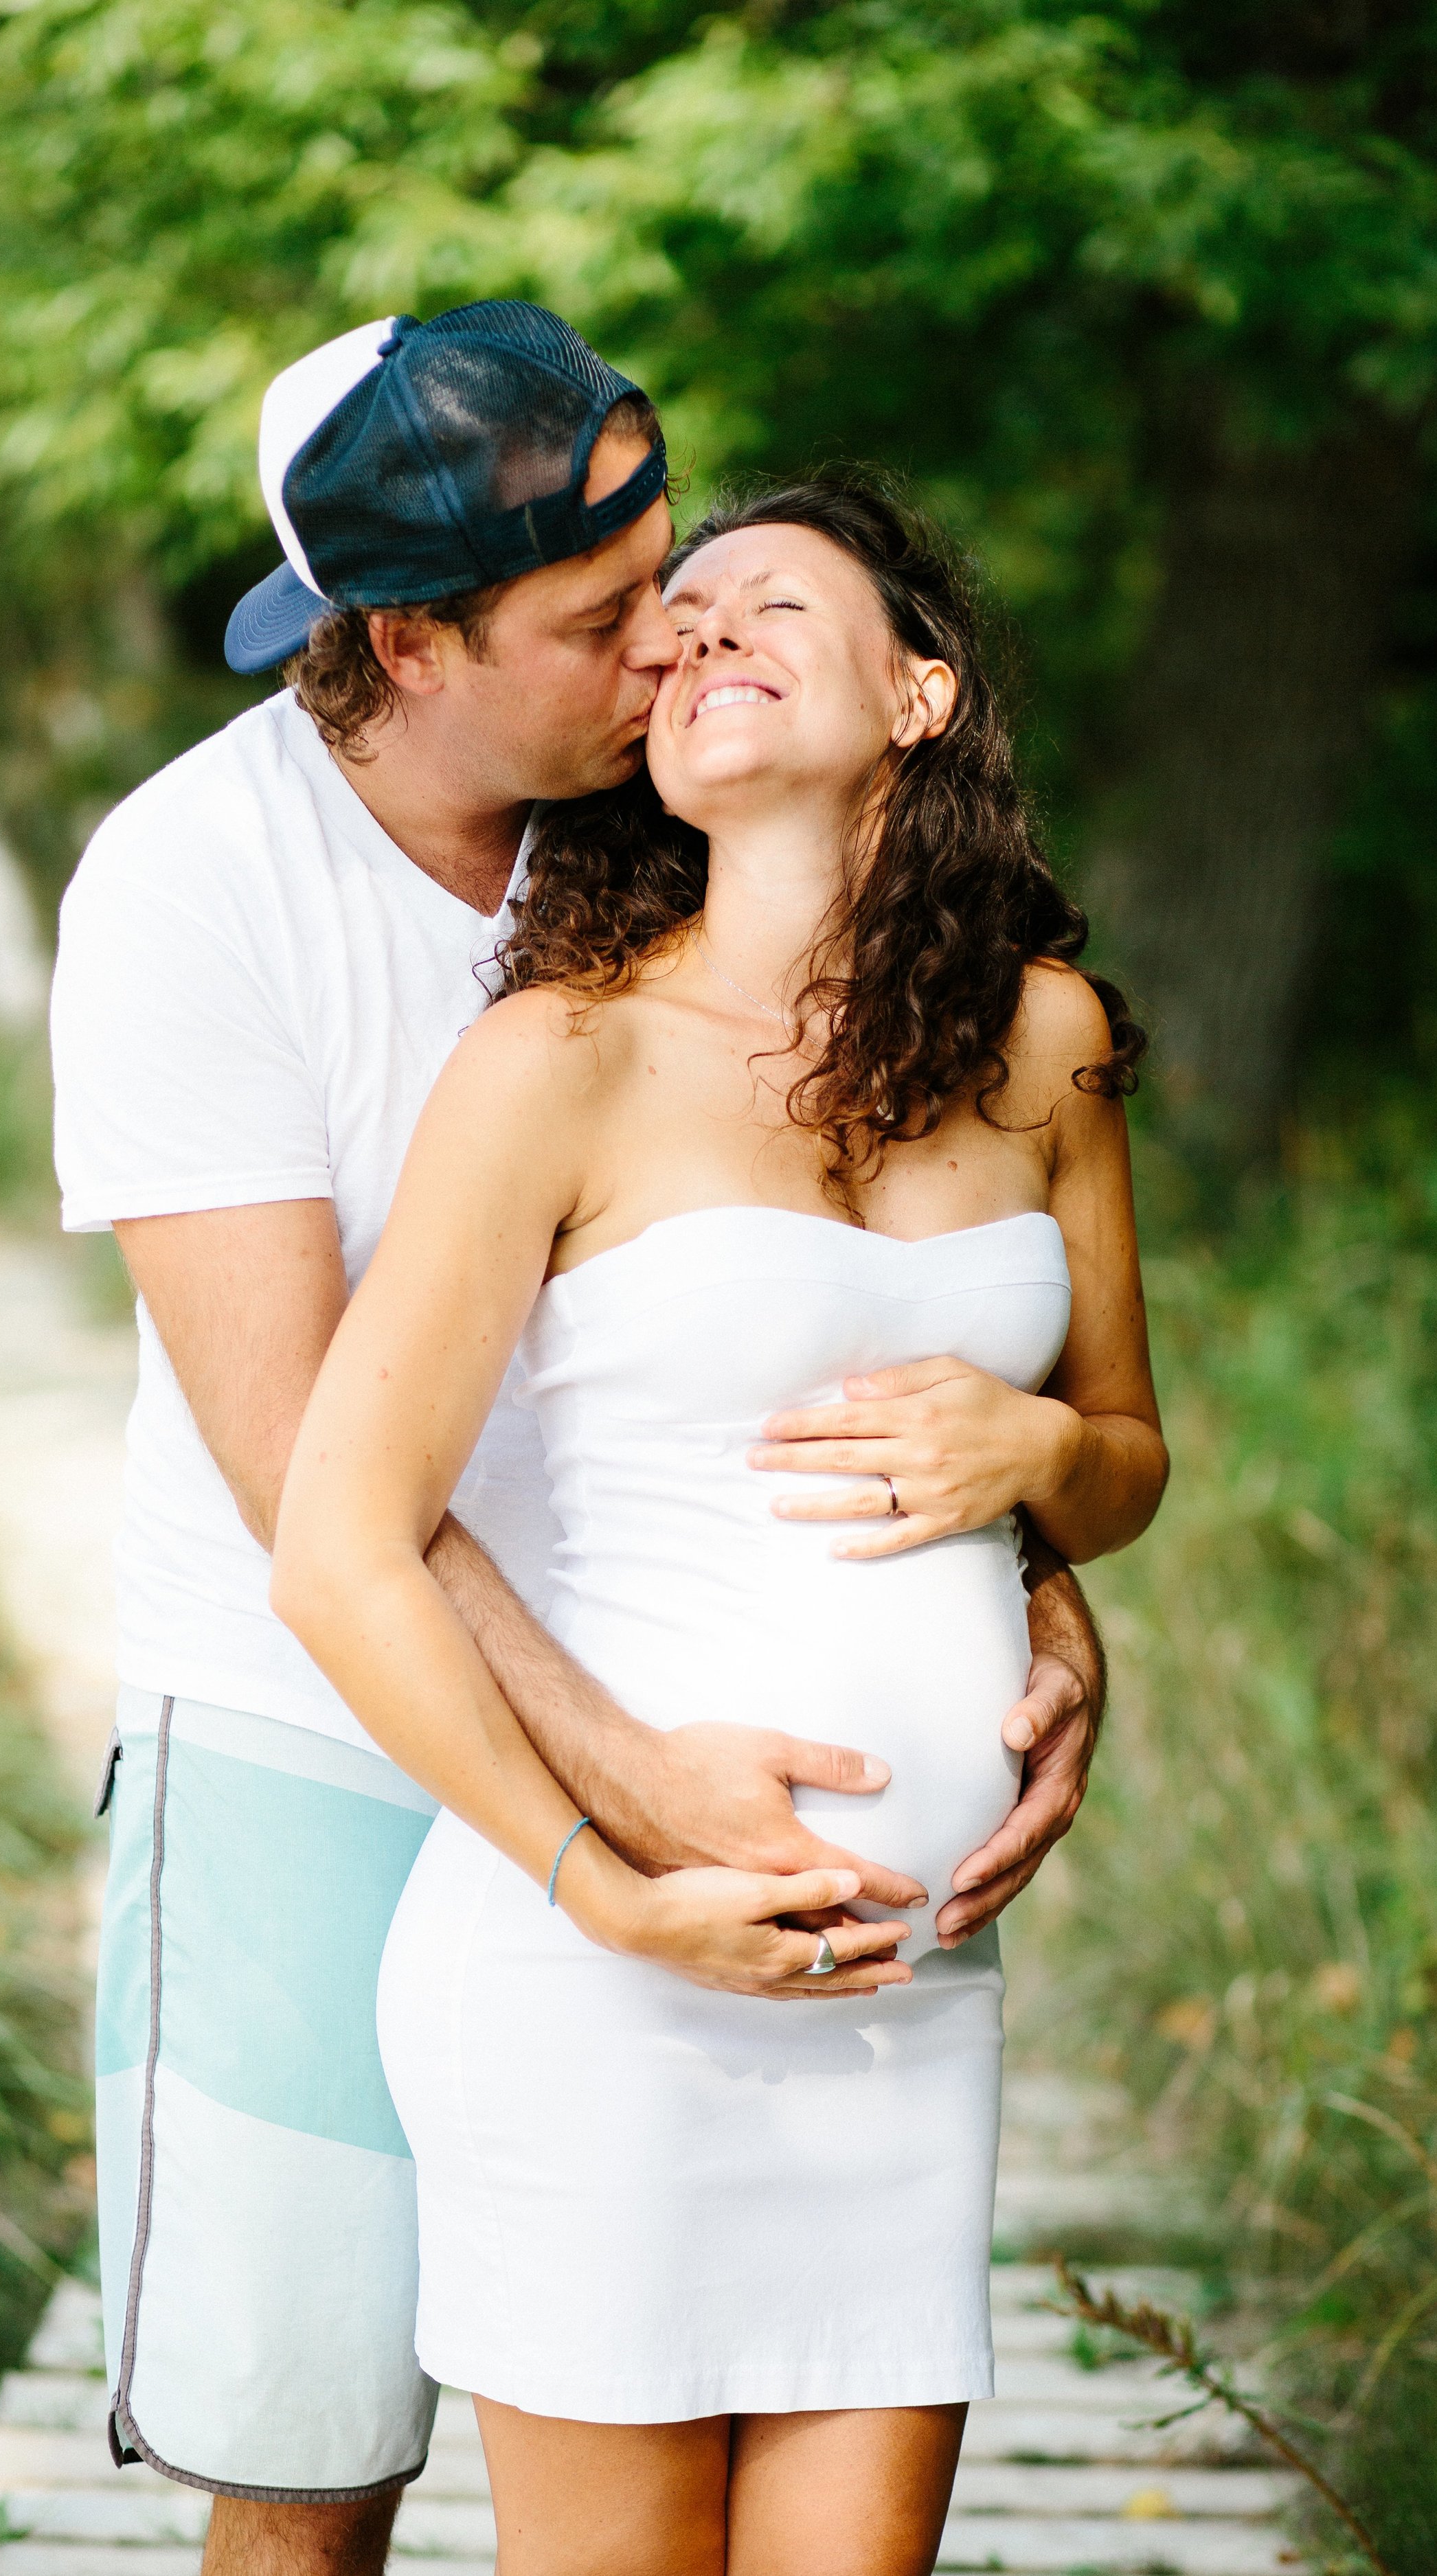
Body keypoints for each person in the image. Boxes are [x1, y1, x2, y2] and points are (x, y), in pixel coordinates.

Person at [51, 304, 1107, 2576]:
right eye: (612, 614)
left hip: (760, 1828)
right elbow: (314, 1493)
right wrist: (617, 1818)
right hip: (317, 1746)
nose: (671, 648)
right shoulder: (191, 889)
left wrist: (1028, 1565)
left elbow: (816, 1260)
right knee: (314, 2459)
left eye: (681, 584)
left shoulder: (654, 819)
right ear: (412, 644)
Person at [274, 471, 1167, 2576]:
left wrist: (1034, 1468)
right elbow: (337, 1541)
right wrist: (602, 1882)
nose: (699, 636)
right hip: (602, 1980)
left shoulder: (1046, 1044)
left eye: (769, 603)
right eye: (673, 627)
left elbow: (1122, 1449)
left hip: (909, 1987)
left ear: (919, 691)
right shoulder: (555, 1062)